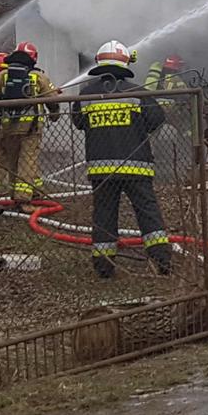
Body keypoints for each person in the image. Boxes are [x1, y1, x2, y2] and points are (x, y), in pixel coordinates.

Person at [73, 40, 170, 278]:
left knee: (104, 214)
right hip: (136, 165)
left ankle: (104, 267)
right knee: (147, 212)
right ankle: (162, 262)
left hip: (100, 167)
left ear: (98, 63)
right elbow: (157, 119)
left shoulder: (85, 95)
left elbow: (78, 123)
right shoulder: (137, 92)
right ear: (125, 63)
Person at [0, 42, 60, 209]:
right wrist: (54, 115)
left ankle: (13, 194)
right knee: (27, 161)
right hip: (31, 129)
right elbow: (53, 100)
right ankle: (23, 201)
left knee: (13, 161)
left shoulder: (2, 76)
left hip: (7, 127)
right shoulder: (38, 76)